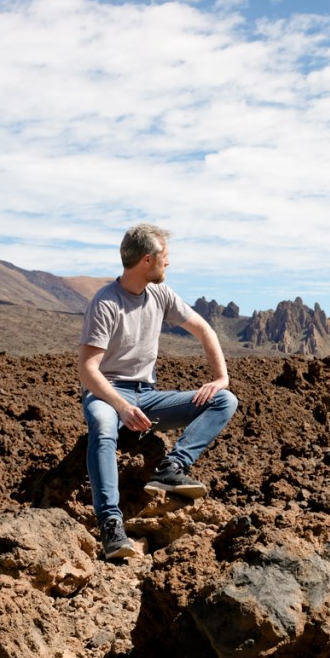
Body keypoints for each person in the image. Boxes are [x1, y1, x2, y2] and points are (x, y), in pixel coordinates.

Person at [78, 223, 238, 560]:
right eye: (165, 257)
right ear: (147, 260)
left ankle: (171, 468)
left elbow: (203, 328)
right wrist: (121, 406)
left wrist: (220, 378)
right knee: (104, 427)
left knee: (224, 400)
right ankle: (111, 525)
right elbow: (88, 371)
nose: (170, 263)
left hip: (147, 395)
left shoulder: (160, 295)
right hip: (107, 394)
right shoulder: (106, 303)